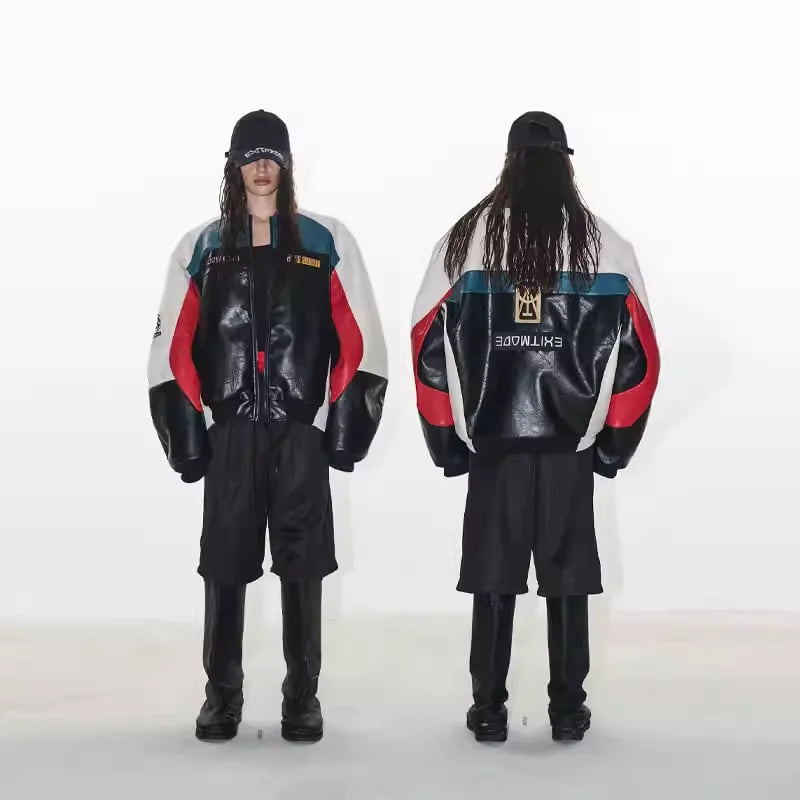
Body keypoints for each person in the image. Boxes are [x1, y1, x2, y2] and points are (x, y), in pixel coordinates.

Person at [411, 112, 659, 744]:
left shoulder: (467, 240)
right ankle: (568, 710)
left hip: (493, 443)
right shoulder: (604, 245)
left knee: (492, 576)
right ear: (566, 164)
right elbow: (642, 356)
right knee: (568, 577)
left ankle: (488, 708)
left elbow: (425, 342)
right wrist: (613, 444)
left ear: (509, 162)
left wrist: (447, 439)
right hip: (570, 445)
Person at [148, 109, 387, 743]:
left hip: (300, 432)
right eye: (250, 157)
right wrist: (188, 438)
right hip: (230, 434)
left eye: (271, 157)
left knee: (302, 564)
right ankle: (221, 696)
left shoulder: (325, 242)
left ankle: (302, 696)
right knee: (225, 564)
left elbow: (360, 339)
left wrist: (343, 431)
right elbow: (172, 348)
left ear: (286, 165)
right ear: (233, 167)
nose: (261, 167)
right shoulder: (202, 248)